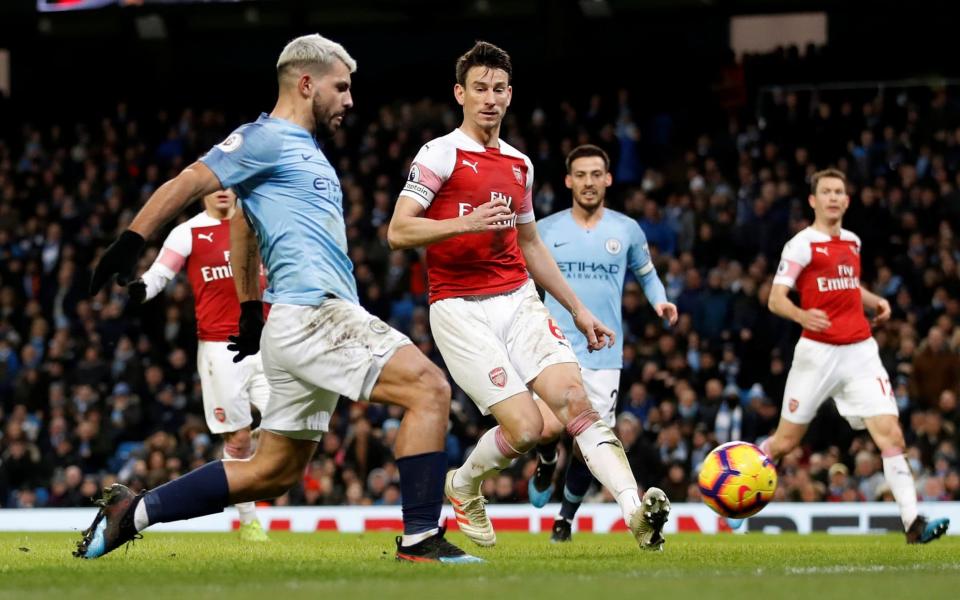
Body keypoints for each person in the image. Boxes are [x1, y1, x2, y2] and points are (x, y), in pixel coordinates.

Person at [76, 33, 480, 564]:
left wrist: (248, 309)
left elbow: (242, 224)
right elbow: (190, 179)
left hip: (293, 321)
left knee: (273, 472)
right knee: (428, 388)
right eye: (341, 87)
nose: (350, 100)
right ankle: (422, 538)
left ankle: (132, 514)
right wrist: (132, 241)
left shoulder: (302, 152)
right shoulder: (264, 138)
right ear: (306, 83)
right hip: (316, 314)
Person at [387, 41, 670, 551]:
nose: (489, 99)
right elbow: (398, 231)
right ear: (460, 94)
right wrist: (463, 223)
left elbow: (530, 243)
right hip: (458, 307)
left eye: (498, 89)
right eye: (479, 89)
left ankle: (635, 511)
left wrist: (579, 311)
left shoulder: (519, 164)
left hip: (517, 298)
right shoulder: (440, 154)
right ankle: (464, 484)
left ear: (510, 95)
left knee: (574, 402)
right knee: (524, 430)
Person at [761, 168, 949, 544]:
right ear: (813, 201)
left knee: (891, 434)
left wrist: (873, 299)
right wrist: (802, 315)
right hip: (817, 352)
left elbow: (847, 283)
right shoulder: (802, 244)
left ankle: (912, 523)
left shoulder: (852, 242)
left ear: (847, 201)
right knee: (784, 444)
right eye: (826, 192)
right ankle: (739, 497)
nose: (833, 197)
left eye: (839, 192)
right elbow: (775, 298)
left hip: (860, 351)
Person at [527, 144, 678, 543]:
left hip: (603, 352)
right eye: (581, 175)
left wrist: (659, 299)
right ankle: (545, 461)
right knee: (545, 428)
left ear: (608, 179)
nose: (589, 182)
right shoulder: (546, 229)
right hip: (553, 345)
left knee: (589, 445)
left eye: (596, 174)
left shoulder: (626, 229)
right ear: (568, 180)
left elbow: (646, 275)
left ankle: (565, 519)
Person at [128, 188, 270, 542]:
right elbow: (161, 271)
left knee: (288, 423)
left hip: (270, 341)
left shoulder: (260, 223)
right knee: (237, 439)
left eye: (228, 184)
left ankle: (253, 460)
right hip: (220, 348)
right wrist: (142, 288)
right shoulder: (188, 232)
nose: (222, 191)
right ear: (203, 193)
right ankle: (249, 521)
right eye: (214, 186)